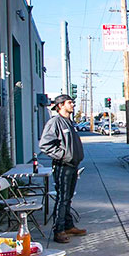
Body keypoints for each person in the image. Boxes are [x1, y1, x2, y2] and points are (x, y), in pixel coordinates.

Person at [39, 94, 85, 244]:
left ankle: (68, 225)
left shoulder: (69, 122)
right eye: (69, 103)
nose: (73, 105)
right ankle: (58, 231)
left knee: (68, 199)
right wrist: (63, 155)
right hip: (63, 166)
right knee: (62, 199)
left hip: (73, 165)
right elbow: (45, 145)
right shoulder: (55, 122)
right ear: (60, 105)